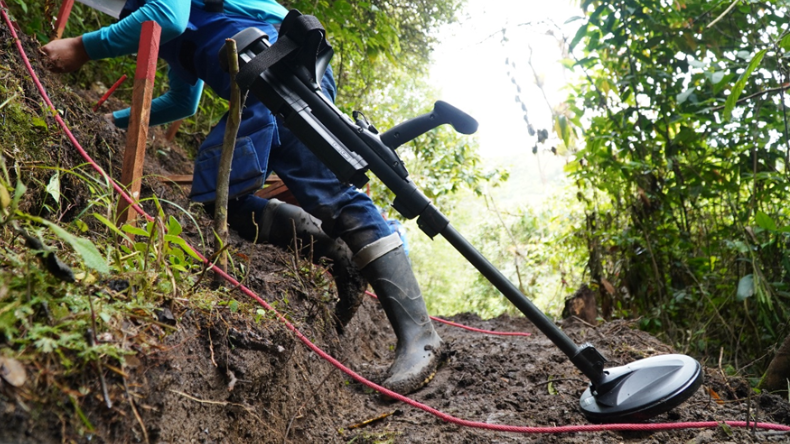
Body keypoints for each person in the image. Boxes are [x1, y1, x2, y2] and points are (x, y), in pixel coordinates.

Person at [40, 0, 445, 395]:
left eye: (132, 14)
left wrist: (82, 46)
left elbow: (167, 15)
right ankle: (335, 250)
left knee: (332, 193)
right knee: (223, 200)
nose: (132, 20)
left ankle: (420, 337)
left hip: (279, 68)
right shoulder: (177, 43)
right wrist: (114, 119)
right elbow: (184, 100)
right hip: (258, 84)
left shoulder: (168, 13)